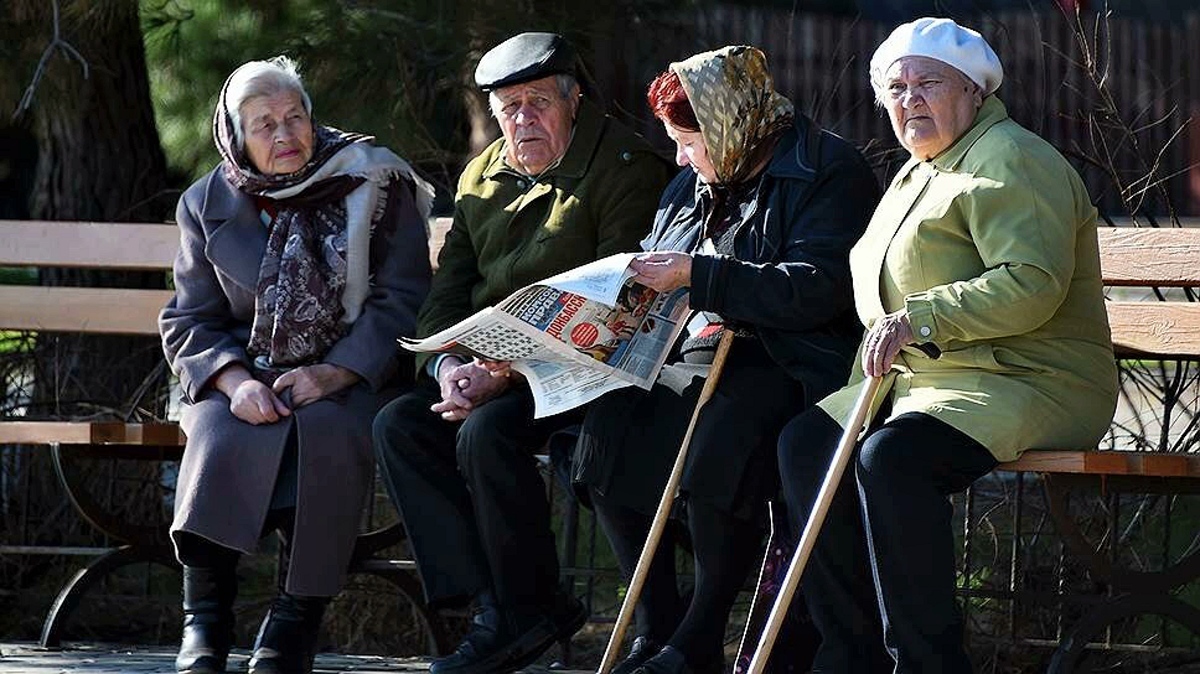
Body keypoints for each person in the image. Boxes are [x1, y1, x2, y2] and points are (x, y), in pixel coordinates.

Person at [777, 17, 1119, 673]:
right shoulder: (920, 171)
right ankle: (851, 656)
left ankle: (928, 662)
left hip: (1030, 378)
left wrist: (919, 320)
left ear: (974, 91)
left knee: (892, 459)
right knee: (807, 445)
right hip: (932, 384)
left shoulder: (1010, 159)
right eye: (896, 88)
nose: (910, 100)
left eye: (928, 83)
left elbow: (1031, 282)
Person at [571, 45, 880, 674]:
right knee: (608, 429)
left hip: (792, 361)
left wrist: (700, 276)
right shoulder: (692, 182)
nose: (681, 159)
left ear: (729, 125)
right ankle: (657, 627)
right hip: (696, 354)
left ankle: (699, 637)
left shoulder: (828, 170)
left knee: (723, 436)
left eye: (689, 142)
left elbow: (817, 287)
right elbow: (661, 256)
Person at [371, 32, 672, 674]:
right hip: (491, 371)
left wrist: (505, 374)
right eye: (509, 108)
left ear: (574, 100)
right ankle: (497, 606)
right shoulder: (481, 175)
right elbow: (447, 293)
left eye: (539, 102)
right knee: (399, 425)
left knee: (486, 433)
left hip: (588, 372)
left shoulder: (625, 167)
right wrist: (448, 366)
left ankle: (524, 609)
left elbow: (623, 304)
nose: (523, 120)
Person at [160, 56, 433, 674]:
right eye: (264, 125)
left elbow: (403, 299)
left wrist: (335, 372)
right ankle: (204, 621)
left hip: (351, 371)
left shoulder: (372, 180)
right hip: (242, 372)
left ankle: (295, 618)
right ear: (235, 136)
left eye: (295, 117)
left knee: (327, 431)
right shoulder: (205, 201)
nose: (285, 135)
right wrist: (232, 382)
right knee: (217, 431)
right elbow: (191, 318)